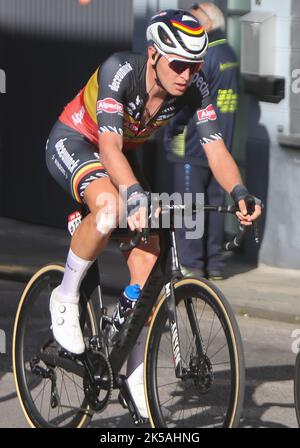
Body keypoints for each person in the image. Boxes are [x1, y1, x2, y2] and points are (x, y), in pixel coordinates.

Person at [45, 9, 261, 418]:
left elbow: (215, 149)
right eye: (178, 64)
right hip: (78, 141)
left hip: (122, 153)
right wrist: (134, 194)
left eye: (194, 65)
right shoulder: (118, 70)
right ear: (153, 56)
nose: (186, 74)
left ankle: (133, 369)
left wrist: (239, 191)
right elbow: (107, 146)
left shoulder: (194, 87)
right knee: (110, 208)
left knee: (150, 258)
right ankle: (65, 294)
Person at [164, 2, 239, 280]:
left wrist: (172, 127)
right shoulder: (229, 53)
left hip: (195, 145)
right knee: (216, 206)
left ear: (207, 24)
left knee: (189, 207)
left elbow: (187, 100)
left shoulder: (204, 57)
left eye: (194, 21)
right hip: (223, 144)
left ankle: (190, 263)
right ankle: (215, 265)